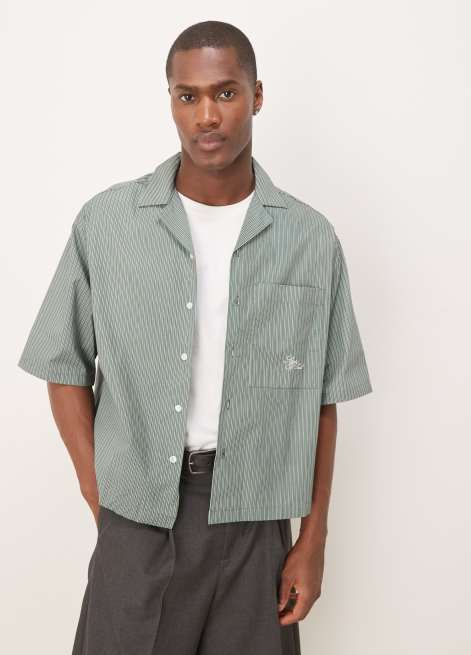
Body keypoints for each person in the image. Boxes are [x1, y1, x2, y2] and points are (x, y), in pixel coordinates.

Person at [17, 19, 373, 655]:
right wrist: (102, 495)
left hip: (256, 525)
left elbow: (323, 398)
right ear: (172, 101)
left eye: (226, 93)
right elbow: (62, 364)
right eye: (189, 96)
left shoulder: (310, 240)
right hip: (138, 519)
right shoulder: (109, 223)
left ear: (256, 96)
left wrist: (313, 537)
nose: (207, 115)